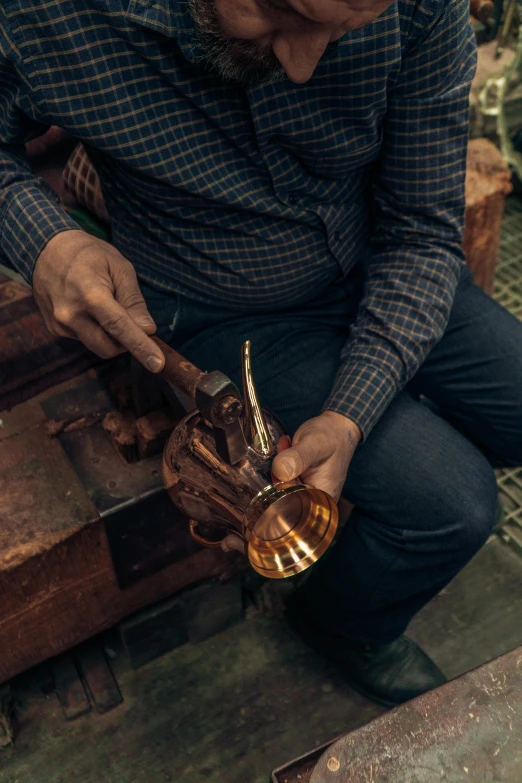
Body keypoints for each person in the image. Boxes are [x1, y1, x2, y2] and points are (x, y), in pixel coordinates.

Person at [1, 0, 521, 708]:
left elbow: (419, 232)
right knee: (452, 504)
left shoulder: (418, 5)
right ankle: (342, 623)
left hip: (377, 257)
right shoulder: (47, 13)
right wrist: (45, 242)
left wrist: (351, 414)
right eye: (278, 14)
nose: (303, 66)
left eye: (342, 32)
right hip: (225, 307)